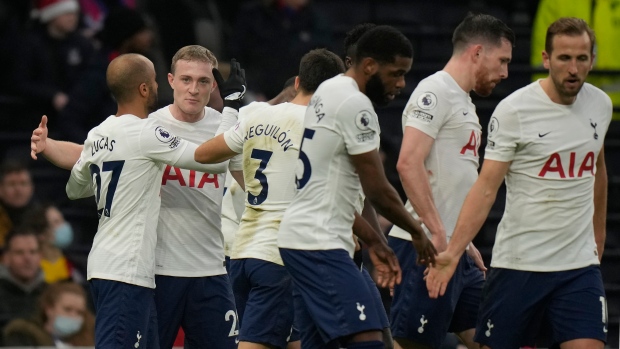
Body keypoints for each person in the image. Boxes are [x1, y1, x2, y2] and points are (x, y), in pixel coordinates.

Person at [31, 45, 247, 348]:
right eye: (186, 80)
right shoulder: (149, 126)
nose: (193, 89)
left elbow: (247, 183)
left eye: (202, 81)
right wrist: (51, 145)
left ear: (214, 85)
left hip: (209, 267)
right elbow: (93, 153)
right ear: (170, 80)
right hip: (156, 269)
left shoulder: (224, 125)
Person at [426, 17, 610, 348]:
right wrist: (452, 253)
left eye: (582, 58)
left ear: (592, 60)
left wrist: (599, 231)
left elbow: (597, 165)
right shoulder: (515, 111)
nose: (573, 68)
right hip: (520, 265)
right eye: (564, 58)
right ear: (546, 59)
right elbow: (485, 188)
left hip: (578, 267)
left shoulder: (601, 105)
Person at [275, 25, 436, 348]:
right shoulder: (356, 105)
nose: (401, 84)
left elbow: (335, 194)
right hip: (318, 243)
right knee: (368, 338)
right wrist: (418, 231)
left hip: (301, 237)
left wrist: (376, 242)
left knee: (321, 343)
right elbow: (377, 190)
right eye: (396, 73)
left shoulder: (328, 90)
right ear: (370, 66)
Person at [196, 48, 346, 349]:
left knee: (293, 341)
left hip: (242, 254)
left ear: (299, 80)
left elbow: (203, 154)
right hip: (281, 257)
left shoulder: (255, 113)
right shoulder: (326, 128)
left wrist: (233, 108)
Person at [387, 13, 514, 349]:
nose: (505, 72)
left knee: (494, 339)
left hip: (453, 250)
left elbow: (453, 179)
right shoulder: (435, 91)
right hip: (425, 247)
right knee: (410, 344)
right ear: (477, 52)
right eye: (502, 61)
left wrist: (463, 242)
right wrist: (439, 232)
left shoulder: (465, 102)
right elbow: (408, 163)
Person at [531, 0, 620, 120]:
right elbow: (542, 63)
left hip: (615, 115)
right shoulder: (554, 2)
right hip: (563, 114)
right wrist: (546, 105)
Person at [2, 281, 95, 347]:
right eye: (67, 309)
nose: (73, 316)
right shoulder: (23, 334)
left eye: (79, 312)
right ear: (49, 309)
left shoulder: (89, 339)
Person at [0, 229, 47, 337]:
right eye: (19, 252)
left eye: (33, 252)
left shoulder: (53, 294)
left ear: (40, 256)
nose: (27, 258)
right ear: (6, 258)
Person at [0, 162, 36, 250]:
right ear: (0, 189)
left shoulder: (42, 217)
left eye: (23, 183)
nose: (18, 190)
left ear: (31, 188)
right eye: (12, 184)